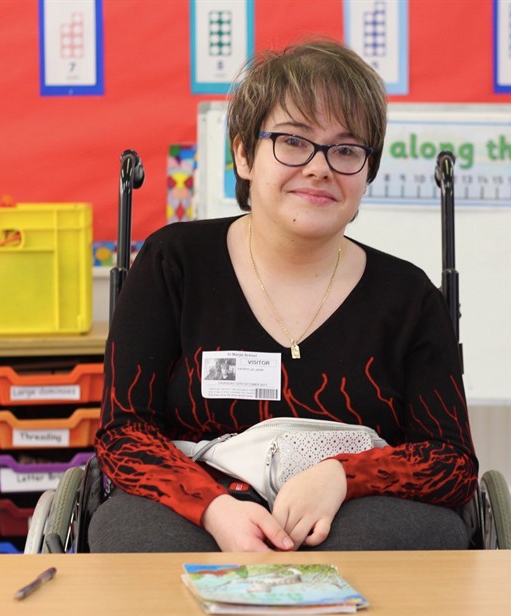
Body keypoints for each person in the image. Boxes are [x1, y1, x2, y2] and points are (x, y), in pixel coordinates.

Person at [90, 38, 478, 553]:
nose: (320, 168)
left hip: (354, 512)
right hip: (199, 505)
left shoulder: (408, 297)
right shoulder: (172, 263)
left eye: (345, 150)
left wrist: (341, 477)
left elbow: (451, 463)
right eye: (293, 141)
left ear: (367, 174)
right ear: (244, 154)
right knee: (131, 534)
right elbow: (124, 433)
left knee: (414, 538)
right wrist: (214, 508)